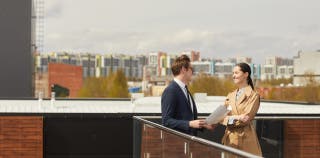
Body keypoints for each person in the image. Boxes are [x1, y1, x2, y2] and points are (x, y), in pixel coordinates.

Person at [161, 55, 213, 135]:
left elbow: (189, 118)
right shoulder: (171, 91)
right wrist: (189, 124)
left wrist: (203, 124)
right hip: (179, 143)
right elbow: (166, 121)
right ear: (183, 70)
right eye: (191, 69)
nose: (193, 72)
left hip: (189, 142)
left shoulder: (185, 90)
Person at [220, 62, 262, 156]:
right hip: (230, 140)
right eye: (233, 73)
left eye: (236, 73)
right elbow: (221, 118)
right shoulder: (230, 95)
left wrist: (229, 119)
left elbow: (246, 119)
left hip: (245, 140)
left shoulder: (254, 96)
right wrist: (238, 117)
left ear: (246, 74)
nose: (233, 76)